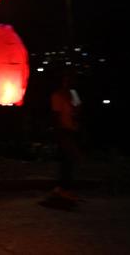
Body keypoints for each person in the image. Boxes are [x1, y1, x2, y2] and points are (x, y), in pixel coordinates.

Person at [50, 69, 83, 201]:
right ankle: (64, 188)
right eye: (66, 80)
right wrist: (58, 132)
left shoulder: (73, 94)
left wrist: (76, 117)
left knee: (69, 160)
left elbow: (79, 109)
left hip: (72, 129)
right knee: (67, 160)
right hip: (64, 130)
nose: (69, 83)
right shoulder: (57, 95)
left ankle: (63, 188)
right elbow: (56, 115)